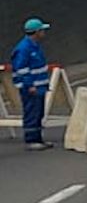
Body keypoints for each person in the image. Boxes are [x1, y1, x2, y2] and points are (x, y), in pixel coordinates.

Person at [9, 18, 52, 150]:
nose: (44, 33)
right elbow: (21, 69)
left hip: (39, 86)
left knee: (38, 112)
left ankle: (38, 138)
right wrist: (29, 85)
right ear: (37, 32)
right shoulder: (24, 48)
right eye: (42, 30)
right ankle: (31, 140)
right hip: (31, 88)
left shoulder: (33, 46)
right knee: (32, 112)